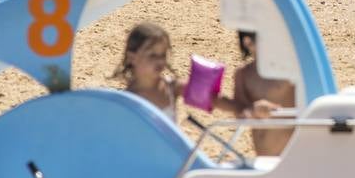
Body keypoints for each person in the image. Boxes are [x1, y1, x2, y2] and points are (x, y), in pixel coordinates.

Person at [115, 22, 274, 123]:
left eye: (163, 55)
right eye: (152, 55)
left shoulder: (172, 89)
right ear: (131, 57)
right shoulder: (123, 100)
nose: (159, 61)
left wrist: (250, 109)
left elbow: (216, 100)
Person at [232, 31, 296, 156]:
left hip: (294, 154)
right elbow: (240, 112)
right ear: (248, 43)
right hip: (264, 157)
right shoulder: (243, 74)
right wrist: (253, 109)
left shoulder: (290, 69)